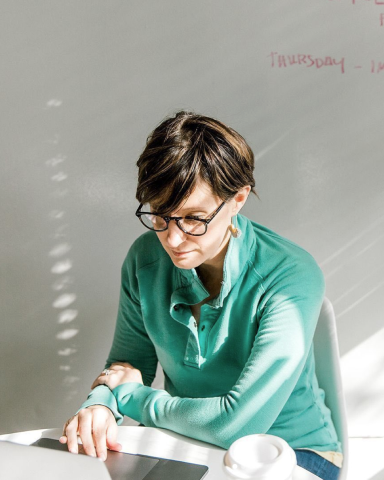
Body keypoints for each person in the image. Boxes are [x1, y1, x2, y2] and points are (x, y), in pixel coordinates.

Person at [60, 111, 342, 480]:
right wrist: (99, 404)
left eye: (194, 218)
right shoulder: (145, 258)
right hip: (186, 446)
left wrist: (129, 397)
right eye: (160, 216)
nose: (173, 240)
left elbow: (236, 425)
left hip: (292, 454)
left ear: (238, 199)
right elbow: (127, 365)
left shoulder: (290, 275)